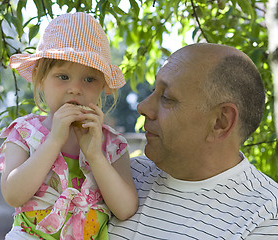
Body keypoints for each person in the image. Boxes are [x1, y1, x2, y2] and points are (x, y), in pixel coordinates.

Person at [108, 43, 278, 239]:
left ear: (220, 122)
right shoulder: (120, 177)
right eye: (154, 90)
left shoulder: (266, 217)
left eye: (166, 98)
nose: (142, 106)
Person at [0, 12, 138, 240]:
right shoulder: (25, 132)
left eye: (89, 79)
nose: (75, 88)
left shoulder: (112, 145)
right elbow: (13, 194)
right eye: (63, 76)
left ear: (102, 87)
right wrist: (53, 141)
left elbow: (125, 208)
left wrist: (95, 155)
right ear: (40, 79)